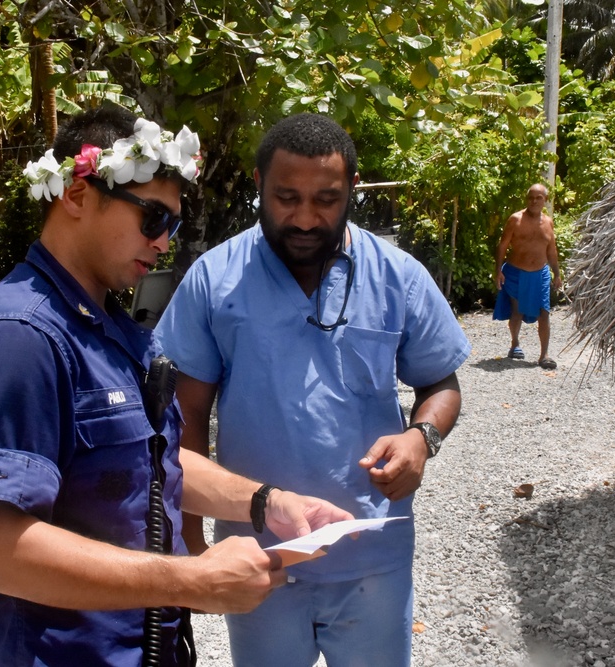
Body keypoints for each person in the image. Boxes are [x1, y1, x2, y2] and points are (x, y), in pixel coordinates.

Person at [0, 105, 353, 667]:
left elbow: (149, 461)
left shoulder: (106, 326)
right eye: (153, 217)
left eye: (173, 226)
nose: (163, 243)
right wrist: (189, 581)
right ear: (76, 196)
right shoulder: (17, 339)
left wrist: (265, 503)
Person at [154, 113, 471, 667]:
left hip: (372, 551)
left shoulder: (398, 276)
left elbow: (440, 382)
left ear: (352, 187)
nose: (304, 217)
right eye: (286, 197)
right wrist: (191, 537)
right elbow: (187, 415)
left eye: (325, 199)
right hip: (259, 557)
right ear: (258, 185)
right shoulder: (213, 279)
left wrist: (422, 438)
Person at [493, 183, 563, 369]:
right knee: (517, 310)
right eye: (531, 197)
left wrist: (556, 274)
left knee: (544, 312)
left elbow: (552, 251)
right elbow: (502, 246)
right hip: (516, 271)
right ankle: (515, 343)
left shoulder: (548, 222)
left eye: (538, 198)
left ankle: (544, 355)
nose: (534, 201)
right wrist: (498, 271)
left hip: (540, 273)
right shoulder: (515, 220)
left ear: (545, 200)